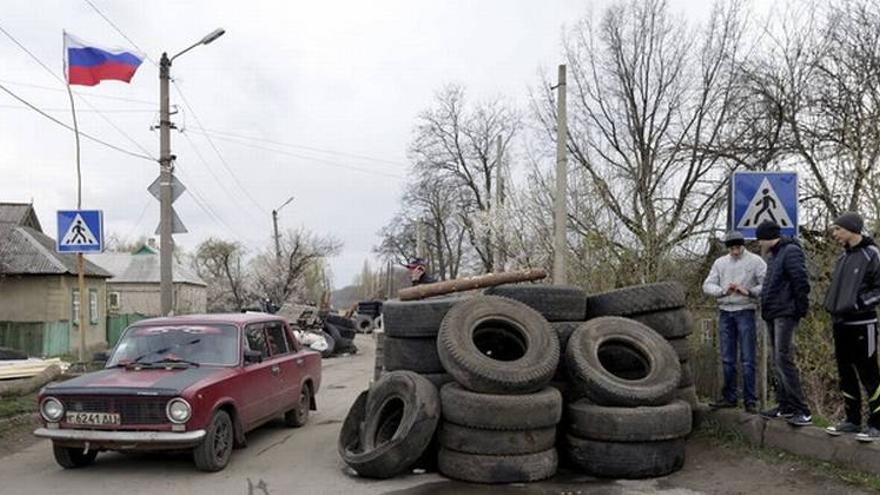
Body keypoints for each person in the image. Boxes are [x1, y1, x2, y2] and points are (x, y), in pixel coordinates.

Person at [823, 212, 880, 441]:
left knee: (869, 373)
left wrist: (859, 303)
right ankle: (852, 420)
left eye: (837, 229)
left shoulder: (871, 254)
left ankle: (877, 424)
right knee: (845, 373)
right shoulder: (843, 257)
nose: (834, 233)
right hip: (841, 324)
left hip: (862, 324)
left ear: (851, 229)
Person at [703, 231, 767, 413]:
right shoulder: (720, 263)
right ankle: (729, 397)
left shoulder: (755, 261)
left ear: (743, 246)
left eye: (738, 247)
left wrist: (749, 291)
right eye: (732, 248)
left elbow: (767, 283)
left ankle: (750, 400)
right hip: (725, 311)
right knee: (727, 358)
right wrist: (722, 291)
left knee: (748, 358)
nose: (735, 251)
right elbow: (707, 285)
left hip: (745, 310)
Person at [756, 220, 813, 426]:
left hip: (786, 313)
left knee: (784, 359)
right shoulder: (774, 256)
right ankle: (785, 406)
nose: (759, 243)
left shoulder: (790, 252)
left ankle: (802, 409)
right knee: (777, 360)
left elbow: (800, 281)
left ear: (767, 237)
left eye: (760, 238)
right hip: (773, 313)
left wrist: (800, 308)